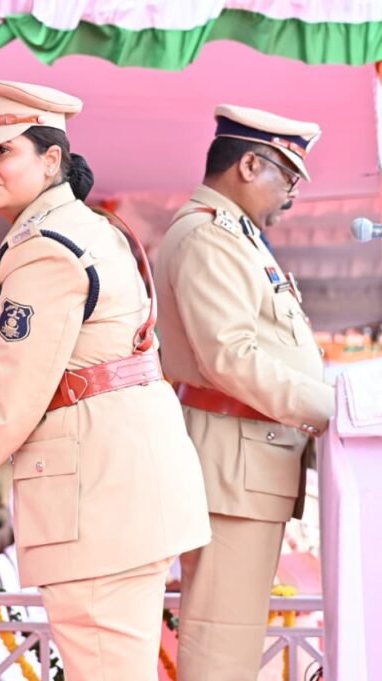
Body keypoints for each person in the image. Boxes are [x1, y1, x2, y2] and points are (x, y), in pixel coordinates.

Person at [0, 77, 211, 681]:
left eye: (2, 151)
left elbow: (8, 412)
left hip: (95, 503)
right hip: (123, 490)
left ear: (52, 159)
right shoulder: (85, 227)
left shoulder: (42, 250)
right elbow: (81, 330)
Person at [153, 105, 334, 681]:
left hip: (248, 461)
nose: (293, 196)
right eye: (288, 177)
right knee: (221, 644)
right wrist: (333, 410)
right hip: (233, 465)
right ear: (250, 165)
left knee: (234, 637)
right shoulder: (210, 235)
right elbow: (230, 356)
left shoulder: (236, 236)